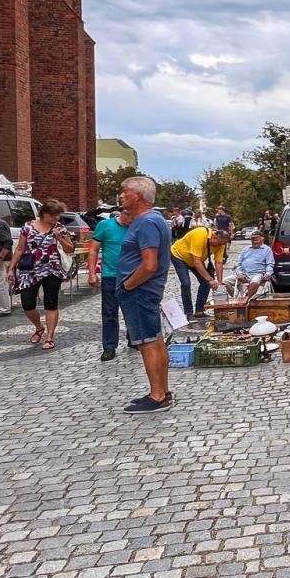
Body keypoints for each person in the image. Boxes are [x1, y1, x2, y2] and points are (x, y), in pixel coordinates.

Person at [115, 175, 174, 414]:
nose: (121, 195)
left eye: (124, 191)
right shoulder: (152, 219)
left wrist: (128, 285)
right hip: (143, 291)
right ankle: (162, 391)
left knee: (147, 343)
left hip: (139, 291)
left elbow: (149, 264)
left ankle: (157, 395)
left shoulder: (147, 222)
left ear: (137, 196)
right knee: (155, 340)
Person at [7, 199, 75, 350]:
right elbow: (19, 249)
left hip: (53, 268)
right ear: (44, 213)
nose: (56, 218)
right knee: (27, 304)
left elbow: (70, 249)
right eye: (54, 215)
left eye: (58, 215)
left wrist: (59, 238)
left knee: (51, 303)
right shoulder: (28, 227)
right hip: (29, 269)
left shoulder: (59, 228)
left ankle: (50, 337)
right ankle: (39, 327)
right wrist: (11, 267)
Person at [87, 205, 131, 360]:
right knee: (109, 312)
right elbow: (93, 250)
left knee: (132, 309)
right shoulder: (105, 226)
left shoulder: (138, 227)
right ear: (122, 213)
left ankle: (134, 339)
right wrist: (92, 273)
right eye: (128, 215)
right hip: (110, 275)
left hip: (133, 275)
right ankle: (109, 346)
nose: (130, 219)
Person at [171, 222, 226, 317]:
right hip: (179, 256)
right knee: (186, 283)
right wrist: (210, 279)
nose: (218, 246)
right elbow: (197, 262)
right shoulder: (200, 234)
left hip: (196, 260)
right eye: (218, 243)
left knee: (206, 283)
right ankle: (188, 312)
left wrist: (220, 282)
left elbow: (219, 263)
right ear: (215, 237)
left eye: (221, 245)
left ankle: (199, 311)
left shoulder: (221, 244)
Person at [229, 231, 274, 297]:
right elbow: (238, 263)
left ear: (262, 239)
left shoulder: (267, 249)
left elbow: (270, 264)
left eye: (256, 239)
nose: (254, 242)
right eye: (252, 240)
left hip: (257, 274)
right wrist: (239, 273)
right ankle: (237, 298)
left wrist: (268, 273)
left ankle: (246, 299)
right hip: (244, 274)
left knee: (255, 283)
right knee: (225, 282)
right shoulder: (246, 249)